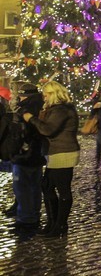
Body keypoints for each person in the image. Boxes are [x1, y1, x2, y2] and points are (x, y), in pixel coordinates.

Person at [23, 80, 80, 237]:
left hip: (64, 152)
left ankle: (60, 225)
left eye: (46, 94)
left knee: (62, 190)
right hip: (55, 152)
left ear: (53, 94)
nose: (44, 97)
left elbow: (47, 130)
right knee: (47, 186)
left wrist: (30, 118)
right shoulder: (55, 109)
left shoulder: (61, 110)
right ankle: (53, 222)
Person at [9, 84, 45, 231]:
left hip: (24, 154)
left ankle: (26, 218)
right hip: (37, 154)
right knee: (35, 186)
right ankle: (33, 215)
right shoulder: (42, 107)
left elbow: (22, 133)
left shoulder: (24, 110)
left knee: (22, 187)